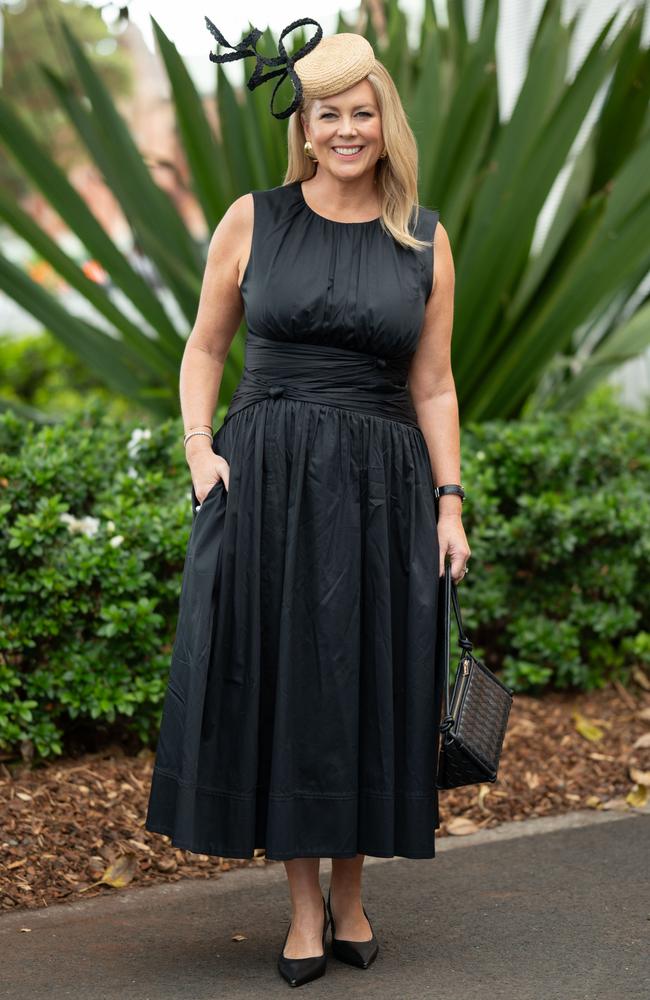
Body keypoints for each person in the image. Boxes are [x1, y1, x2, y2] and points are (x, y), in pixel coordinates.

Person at [145, 16, 471, 988]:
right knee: (288, 687)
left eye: (359, 112)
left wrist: (448, 501)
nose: (343, 129)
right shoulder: (252, 218)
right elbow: (204, 348)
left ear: (384, 122)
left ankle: (352, 895)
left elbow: (435, 386)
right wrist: (200, 450)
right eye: (326, 112)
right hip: (265, 481)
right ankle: (298, 910)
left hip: (380, 489)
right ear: (305, 124)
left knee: (363, 684)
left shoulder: (422, 236)